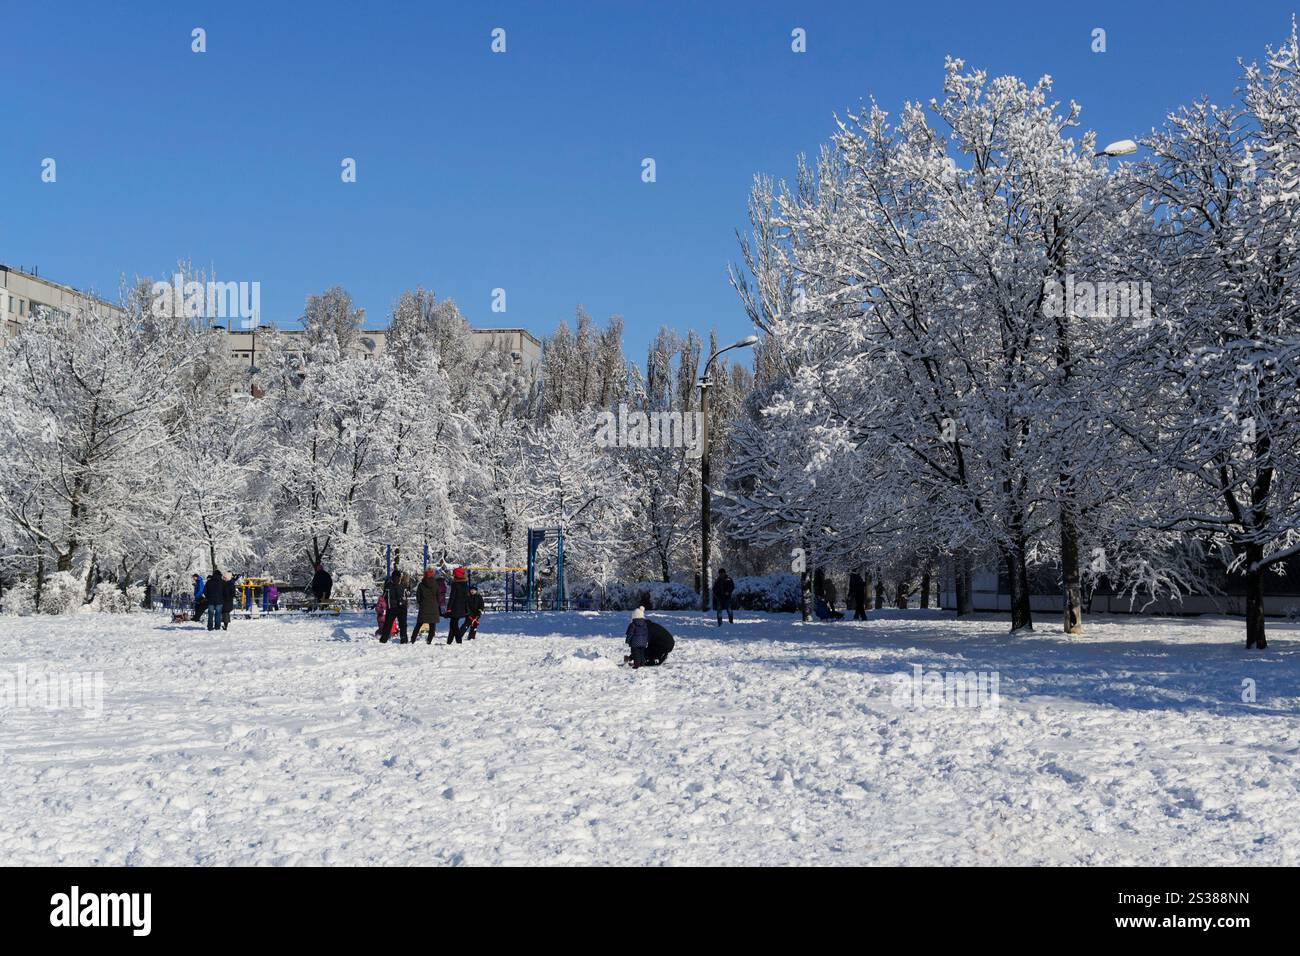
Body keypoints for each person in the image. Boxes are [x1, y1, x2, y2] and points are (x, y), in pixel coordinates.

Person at [379, 565, 410, 643]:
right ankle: (404, 639)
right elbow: (406, 595)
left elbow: (384, 596)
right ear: (400, 577)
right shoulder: (403, 585)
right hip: (402, 607)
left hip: (391, 608)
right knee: (403, 625)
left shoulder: (388, 586)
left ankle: (383, 639)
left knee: (388, 625)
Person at [413, 568, 442, 644]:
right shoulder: (435, 584)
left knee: (419, 624)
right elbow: (438, 596)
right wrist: (436, 603)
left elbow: (418, 596)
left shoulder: (421, 585)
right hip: (433, 607)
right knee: (432, 626)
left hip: (424, 607)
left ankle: (413, 639)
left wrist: (421, 603)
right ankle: (429, 641)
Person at [446, 567, 470, 644]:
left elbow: (452, 597)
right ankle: (449, 641)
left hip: (455, 608)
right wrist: (466, 609)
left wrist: (449, 608)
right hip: (462, 608)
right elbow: (466, 598)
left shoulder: (455, 584)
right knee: (453, 624)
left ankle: (458, 640)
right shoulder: (465, 584)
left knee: (453, 625)